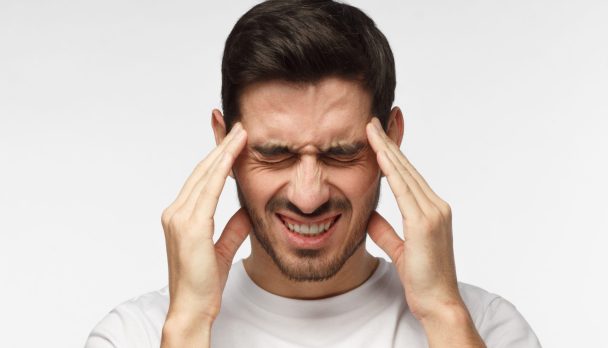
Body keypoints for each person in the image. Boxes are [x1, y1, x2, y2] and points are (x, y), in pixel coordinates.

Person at [85, 1, 541, 347]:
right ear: (224, 143)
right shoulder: (136, 335)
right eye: (275, 154)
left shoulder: (485, 327)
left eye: (342, 153)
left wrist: (443, 315)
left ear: (392, 140)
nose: (308, 197)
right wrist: (187, 324)